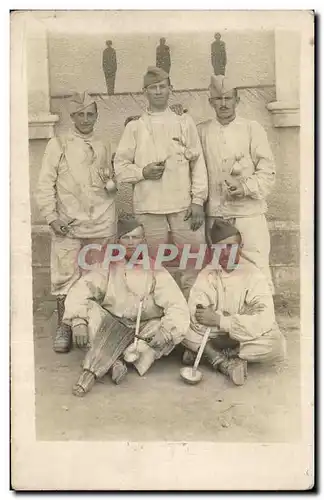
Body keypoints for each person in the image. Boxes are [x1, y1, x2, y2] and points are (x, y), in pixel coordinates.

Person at [63, 215, 190, 396]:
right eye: (126, 238)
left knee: (163, 333)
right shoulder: (107, 266)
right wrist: (78, 321)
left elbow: (176, 304)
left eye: (136, 237)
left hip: (143, 330)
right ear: (118, 241)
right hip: (111, 326)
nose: (131, 243)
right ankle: (115, 362)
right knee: (89, 311)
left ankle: (113, 358)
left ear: (143, 241)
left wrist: (166, 331)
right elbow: (81, 290)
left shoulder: (155, 269)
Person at [114, 66, 208, 298]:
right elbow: (120, 167)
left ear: (170, 89)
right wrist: (143, 172)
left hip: (183, 207)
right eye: (153, 88)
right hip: (149, 208)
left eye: (162, 87)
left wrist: (198, 201)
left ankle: (193, 313)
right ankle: (160, 314)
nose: (158, 92)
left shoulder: (184, 122)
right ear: (144, 91)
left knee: (193, 262)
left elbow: (198, 162)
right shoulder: (134, 127)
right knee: (153, 267)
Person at [36, 91, 117, 354]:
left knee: (97, 275)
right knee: (65, 275)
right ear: (72, 116)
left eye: (90, 114)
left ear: (96, 115)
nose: (85, 119)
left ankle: (93, 323)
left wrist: (110, 183)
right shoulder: (58, 144)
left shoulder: (104, 144)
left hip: (101, 221)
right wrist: (51, 217)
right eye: (80, 114)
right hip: (68, 223)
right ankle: (65, 325)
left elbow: (109, 182)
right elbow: (45, 183)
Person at [182, 218, 286, 386]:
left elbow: (264, 317)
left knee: (276, 343)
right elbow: (196, 315)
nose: (226, 253)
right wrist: (209, 319)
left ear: (241, 247)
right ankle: (225, 363)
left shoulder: (254, 274)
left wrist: (221, 321)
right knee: (181, 328)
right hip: (215, 334)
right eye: (219, 248)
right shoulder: (207, 274)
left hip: (239, 336)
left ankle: (212, 354)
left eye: (231, 247)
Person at [198, 75, 276, 293]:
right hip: (216, 214)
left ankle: (262, 317)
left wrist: (245, 187)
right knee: (220, 270)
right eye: (218, 98)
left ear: (237, 100)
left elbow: (268, 171)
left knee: (256, 266)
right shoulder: (201, 131)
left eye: (228, 98)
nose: (223, 104)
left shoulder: (252, 129)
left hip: (248, 213)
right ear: (210, 101)